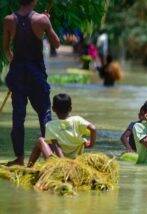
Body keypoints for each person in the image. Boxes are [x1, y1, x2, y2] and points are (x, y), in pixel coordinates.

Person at [3, 0, 60, 166]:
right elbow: (56, 44)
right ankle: (50, 156)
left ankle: (19, 158)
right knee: (44, 113)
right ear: (34, 1)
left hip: (18, 74)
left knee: (18, 117)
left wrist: (16, 62)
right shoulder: (41, 20)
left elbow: (6, 49)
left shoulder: (8, 20)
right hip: (36, 75)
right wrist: (46, 25)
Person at [27, 93, 96, 167]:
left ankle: (29, 167)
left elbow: (56, 147)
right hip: (76, 160)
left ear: (53, 109)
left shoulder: (50, 125)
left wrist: (63, 164)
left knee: (41, 140)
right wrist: (91, 144)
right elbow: (93, 128)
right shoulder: (77, 120)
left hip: (61, 162)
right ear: (70, 108)